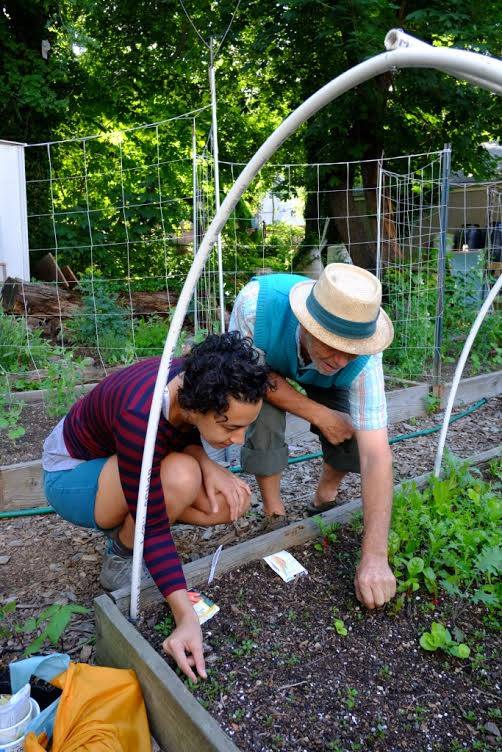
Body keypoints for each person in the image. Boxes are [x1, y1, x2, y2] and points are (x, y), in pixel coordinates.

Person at [42, 332, 271, 682]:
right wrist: (185, 616)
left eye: (245, 427)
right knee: (179, 477)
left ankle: (138, 524)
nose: (238, 440)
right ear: (197, 406)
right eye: (231, 427)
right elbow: (153, 520)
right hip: (71, 476)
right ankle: (121, 555)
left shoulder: (194, 377)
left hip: (120, 463)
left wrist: (211, 466)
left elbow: (179, 430)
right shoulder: (140, 414)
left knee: (224, 504)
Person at [229, 263, 397, 610]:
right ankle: (274, 513)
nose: (339, 359)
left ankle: (325, 495)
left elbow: (376, 455)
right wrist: (319, 414)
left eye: (350, 350)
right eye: (331, 346)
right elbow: (249, 377)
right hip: (265, 374)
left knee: (353, 430)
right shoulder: (255, 305)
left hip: (327, 387)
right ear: (307, 323)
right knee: (258, 411)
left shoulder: (366, 357)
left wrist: (376, 556)